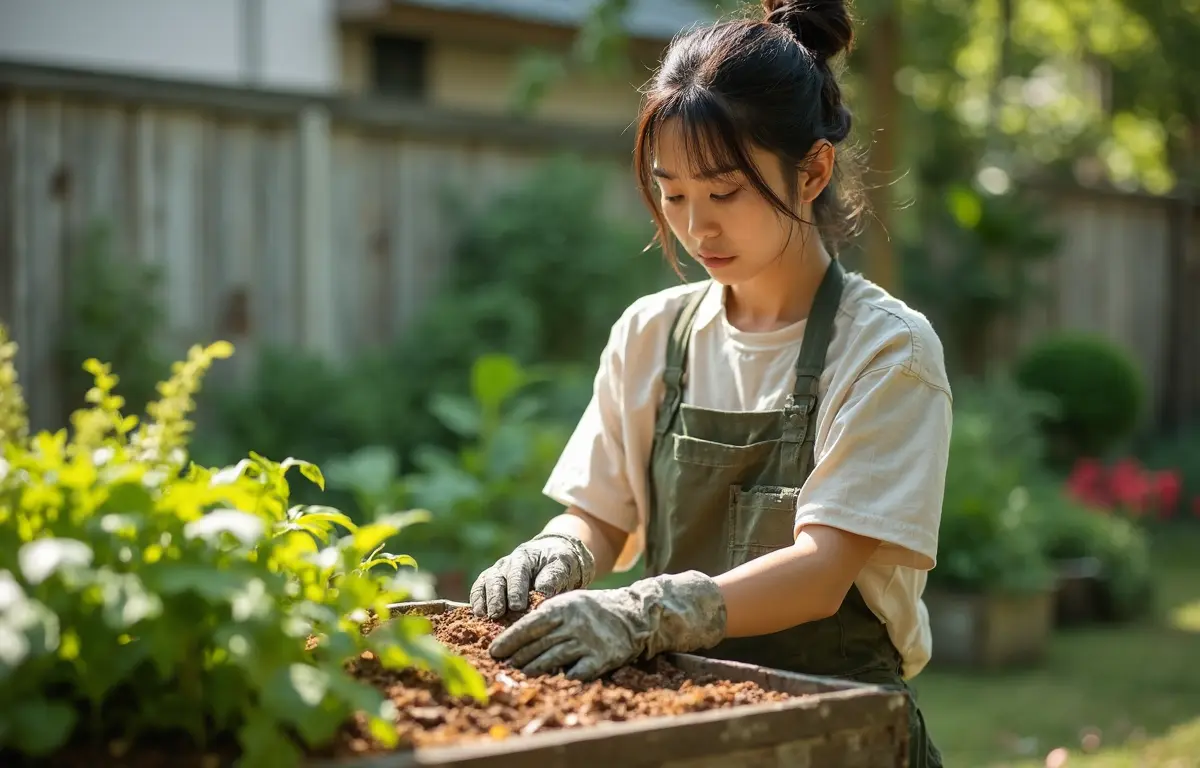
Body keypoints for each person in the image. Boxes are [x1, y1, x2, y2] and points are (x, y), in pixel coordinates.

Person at [469, 1, 950, 764]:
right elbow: (599, 514)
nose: (697, 228)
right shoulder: (652, 333)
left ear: (813, 169)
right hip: (687, 731)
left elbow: (823, 571)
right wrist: (557, 549)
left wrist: (650, 609)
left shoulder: (887, 351)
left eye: (724, 193)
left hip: (841, 735)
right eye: (673, 192)